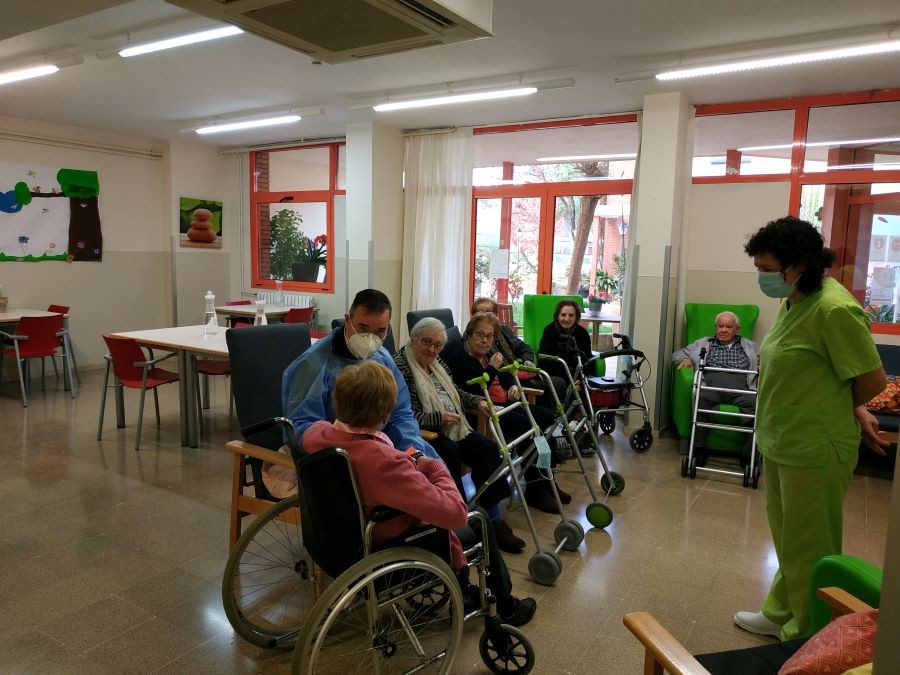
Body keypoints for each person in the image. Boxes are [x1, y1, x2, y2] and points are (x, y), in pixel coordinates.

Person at [733, 216, 888, 642]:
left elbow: (872, 380)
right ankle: (782, 612)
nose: (762, 278)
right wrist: (854, 409)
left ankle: (807, 635)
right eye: (758, 268)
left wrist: (850, 410)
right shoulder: (794, 298)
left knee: (812, 547)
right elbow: (820, 369)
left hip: (815, 447)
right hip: (782, 438)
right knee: (789, 540)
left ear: (798, 264)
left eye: (768, 269)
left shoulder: (834, 309)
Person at [301, 360, 537, 627]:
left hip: (335, 538)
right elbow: (455, 514)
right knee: (477, 516)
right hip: (385, 539)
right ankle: (506, 606)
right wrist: (432, 466)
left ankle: (464, 588)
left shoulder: (315, 435)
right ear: (384, 414)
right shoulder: (386, 462)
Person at [395, 317, 526, 553]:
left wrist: (478, 401)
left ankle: (494, 518)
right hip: (423, 435)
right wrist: (437, 418)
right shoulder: (401, 366)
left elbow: (456, 392)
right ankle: (458, 518)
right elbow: (404, 414)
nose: (432, 350)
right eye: (426, 342)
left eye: (437, 345)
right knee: (449, 451)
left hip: (454, 425)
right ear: (413, 339)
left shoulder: (437, 362)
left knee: (487, 447)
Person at [282, 288, 437, 459]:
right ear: (347, 320)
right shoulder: (314, 365)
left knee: (431, 466)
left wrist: (414, 451)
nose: (370, 339)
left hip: (382, 449)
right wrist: (359, 449)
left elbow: (400, 413)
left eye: (380, 331)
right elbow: (302, 428)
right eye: (363, 328)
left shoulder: (382, 357)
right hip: (338, 455)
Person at [442, 311, 570, 514]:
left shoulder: (488, 351)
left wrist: (512, 385)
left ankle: (547, 481)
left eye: (490, 336)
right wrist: (492, 369)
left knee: (547, 418)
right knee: (529, 428)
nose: (485, 340)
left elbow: (505, 373)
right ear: (469, 333)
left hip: (503, 403)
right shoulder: (459, 355)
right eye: (479, 334)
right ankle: (536, 491)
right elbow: (470, 392)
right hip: (482, 412)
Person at [672, 311, 759, 460]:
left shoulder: (750, 345)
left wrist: (762, 365)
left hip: (741, 389)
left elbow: (766, 359)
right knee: (700, 398)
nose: (723, 330)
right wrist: (687, 359)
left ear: (737, 329)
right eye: (720, 326)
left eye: (728, 326)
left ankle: (749, 456)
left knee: (757, 405)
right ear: (716, 327)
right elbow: (677, 354)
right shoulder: (704, 343)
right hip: (711, 388)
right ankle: (698, 450)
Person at [472, 296, 565, 407]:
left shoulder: (503, 330)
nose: (484, 316)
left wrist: (528, 360)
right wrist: (513, 382)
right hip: (504, 383)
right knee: (550, 387)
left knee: (558, 382)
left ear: (495, 316)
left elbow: (525, 348)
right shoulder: (474, 339)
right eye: (480, 312)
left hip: (519, 373)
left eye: (489, 312)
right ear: (473, 316)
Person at [538, 299, 592, 383]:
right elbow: (543, 360)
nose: (566, 319)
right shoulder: (549, 330)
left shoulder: (583, 333)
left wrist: (579, 382)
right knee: (558, 383)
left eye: (571, 315)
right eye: (563, 315)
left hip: (577, 374)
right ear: (557, 316)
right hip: (554, 373)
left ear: (576, 318)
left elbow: (586, 360)